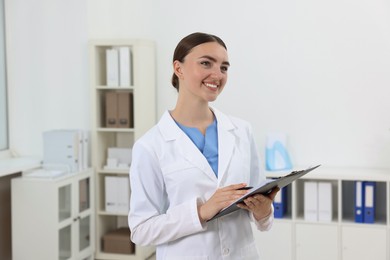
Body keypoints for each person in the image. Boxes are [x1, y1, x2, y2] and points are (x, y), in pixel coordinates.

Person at [128, 32, 279, 260]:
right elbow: (141, 230)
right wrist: (200, 212)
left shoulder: (241, 131)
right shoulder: (150, 146)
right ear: (178, 69)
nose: (217, 74)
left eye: (224, 67)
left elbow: (261, 217)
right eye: (206, 63)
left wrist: (263, 211)